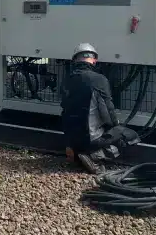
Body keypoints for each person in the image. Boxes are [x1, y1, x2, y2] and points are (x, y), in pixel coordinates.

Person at [60, 43, 140, 174]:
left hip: (71, 140)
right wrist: (116, 127)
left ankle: (79, 155)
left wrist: (68, 143)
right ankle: (95, 156)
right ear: (94, 60)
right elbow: (108, 113)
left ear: (75, 60)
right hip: (90, 139)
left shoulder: (66, 80)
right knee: (130, 135)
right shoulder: (99, 80)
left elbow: (64, 111)